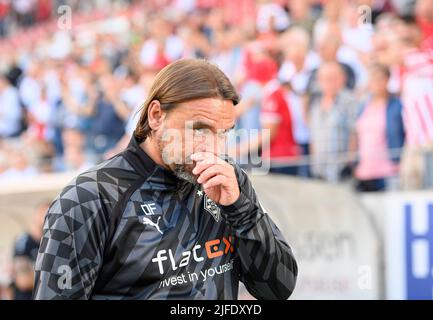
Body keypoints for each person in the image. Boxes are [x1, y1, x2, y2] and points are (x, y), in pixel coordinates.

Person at [33, 59, 298, 300]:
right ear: (156, 115)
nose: (213, 148)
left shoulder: (228, 180)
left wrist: (241, 210)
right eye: (199, 129)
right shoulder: (89, 197)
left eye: (223, 133)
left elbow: (278, 288)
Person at [353, 63, 405, 192]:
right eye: (372, 79)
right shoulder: (363, 106)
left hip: (387, 169)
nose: (376, 83)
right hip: (364, 170)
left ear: (387, 80)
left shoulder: (396, 105)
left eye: (380, 78)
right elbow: (357, 135)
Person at [11, 201, 49, 300]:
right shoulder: (23, 241)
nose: (45, 217)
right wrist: (53, 281)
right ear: (35, 215)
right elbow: (23, 280)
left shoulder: (51, 243)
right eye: (42, 213)